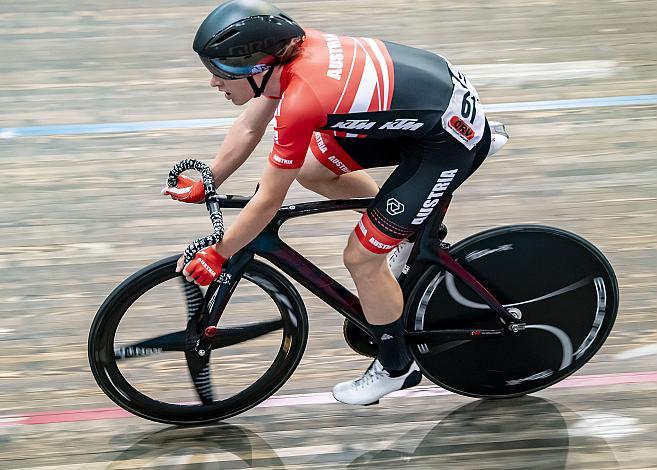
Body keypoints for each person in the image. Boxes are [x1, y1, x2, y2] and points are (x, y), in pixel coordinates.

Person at [163, 0, 506, 405]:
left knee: (361, 258)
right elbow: (251, 123)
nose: (214, 83)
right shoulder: (288, 59)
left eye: (219, 74)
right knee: (312, 168)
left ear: (257, 68)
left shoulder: (301, 98)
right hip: (425, 110)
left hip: (446, 141)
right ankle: (405, 228)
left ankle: (397, 367)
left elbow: (270, 199)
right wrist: (211, 178)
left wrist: (220, 252)